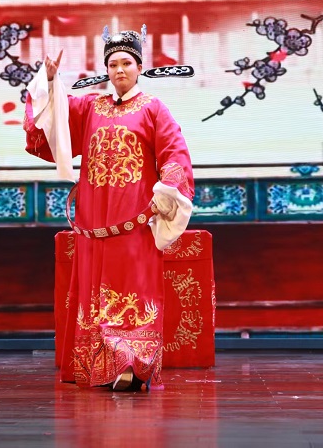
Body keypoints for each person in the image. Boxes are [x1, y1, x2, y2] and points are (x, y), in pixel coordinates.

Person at [24, 26, 194, 391]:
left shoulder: (153, 109)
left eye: (127, 63)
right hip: (94, 218)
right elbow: (53, 122)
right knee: (93, 290)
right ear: (106, 69)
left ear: (139, 67)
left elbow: (174, 153)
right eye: (113, 64)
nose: (120, 70)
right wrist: (49, 82)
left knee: (134, 287)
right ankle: (98, 366)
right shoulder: (91, 107)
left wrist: (166, 191)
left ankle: (131, 366)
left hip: (134, 220)